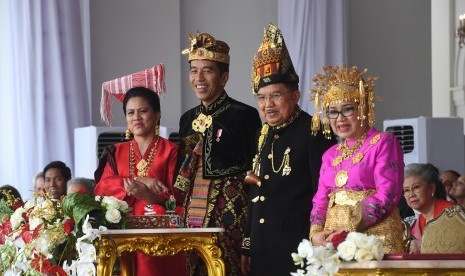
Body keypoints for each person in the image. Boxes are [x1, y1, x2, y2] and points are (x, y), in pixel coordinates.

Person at [240, 24, 336, 276]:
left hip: (298, 247)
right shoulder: (264, 135)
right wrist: (248, 246)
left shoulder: (315, 131)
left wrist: (319, 242)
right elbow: (256, 196)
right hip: (263, 247)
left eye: (275, 96)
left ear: (295, 96)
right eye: (261, 97)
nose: (267, 104)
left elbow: (324, 193)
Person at [176, 31, 261, 276]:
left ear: (224, 78)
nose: (198, 78)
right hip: (193, 214)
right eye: (193, 70)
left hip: (232, 214)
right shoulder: (187, 119)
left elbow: (256, 172)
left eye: (207, 70)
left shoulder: (244, 115)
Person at [94, 64, 185, 276]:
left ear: (157, 115)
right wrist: (141, 180)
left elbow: (179, 195)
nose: (136, 118)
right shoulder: (115, 151)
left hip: (162, 234)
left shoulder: (172, 150)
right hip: (124, 233)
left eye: (143, 111)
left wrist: (151, 197)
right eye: (130, 112)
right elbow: (101, 188)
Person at [309, 64, 405, 254]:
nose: (340, 118)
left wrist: (350, 225)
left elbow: (388, 195)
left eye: (347, 109)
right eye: (333, 112)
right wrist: (316, 233)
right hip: (333, 242)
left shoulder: (383, 142)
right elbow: (320, 200)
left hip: (375, 238)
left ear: (363, 109)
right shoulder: (330, 154)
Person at [403, 163, 456, 253]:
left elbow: (456, 243)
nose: (411, 194)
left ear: (432, 188)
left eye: (416, 187)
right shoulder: (419, 219)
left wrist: (423, 244)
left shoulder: (450, 211)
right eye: (406, 190)